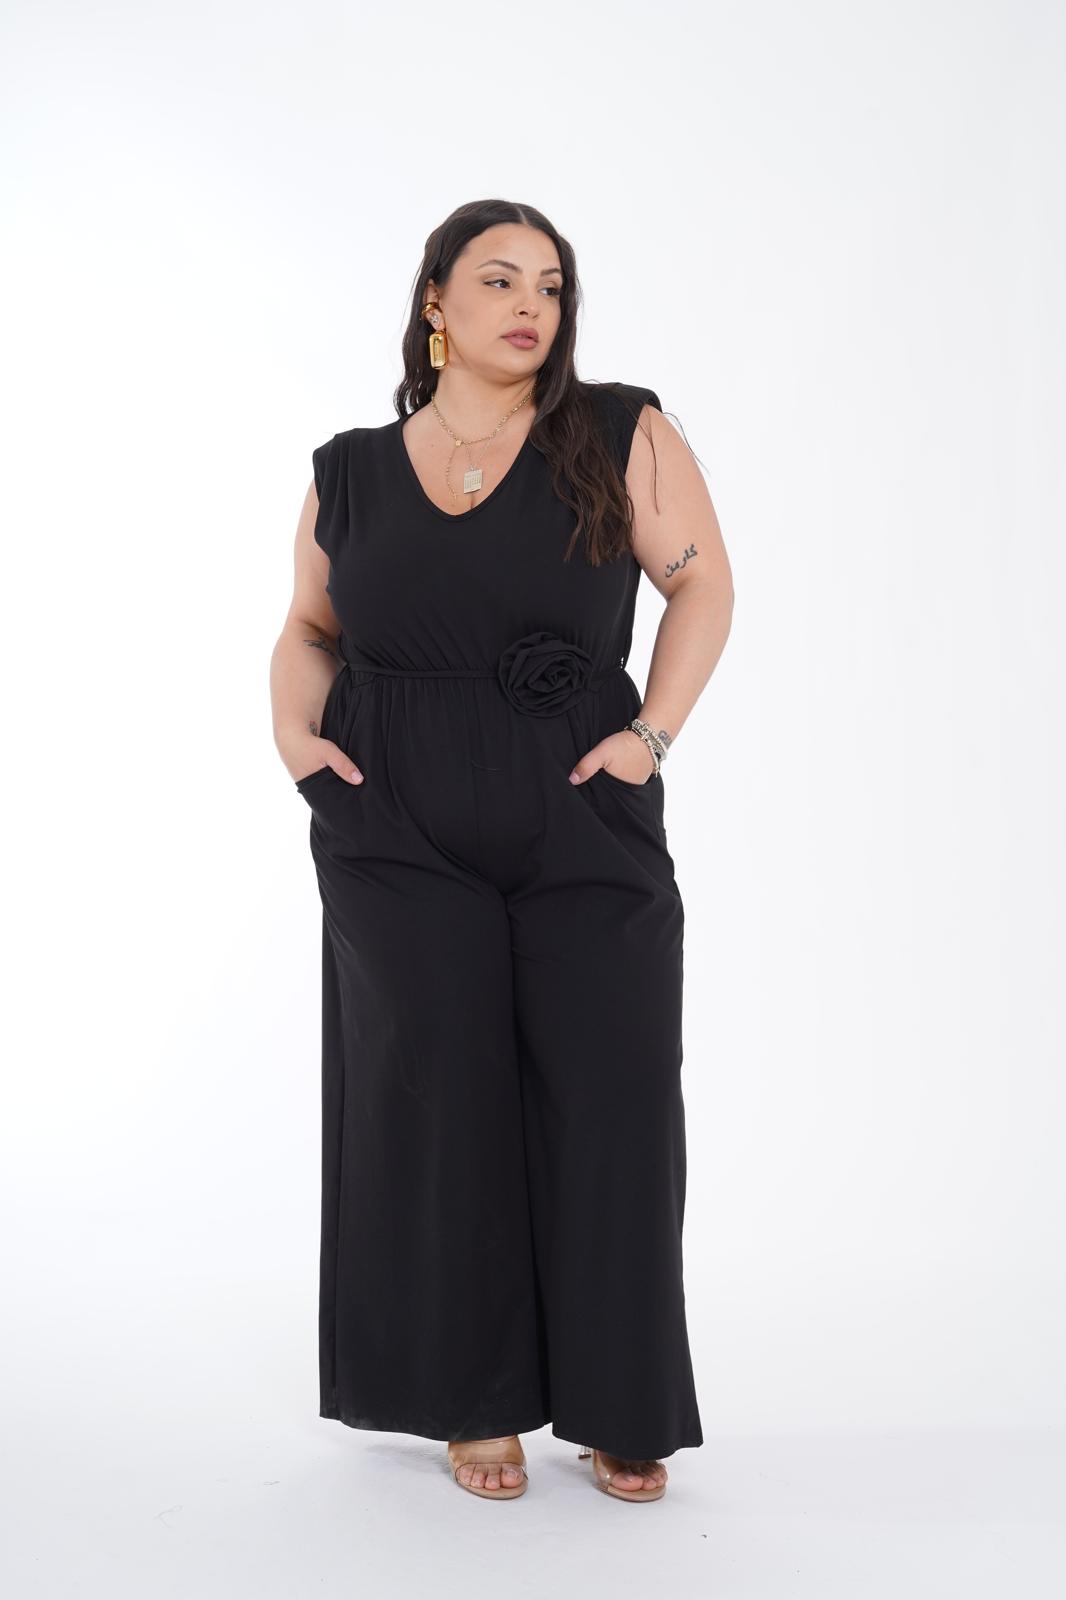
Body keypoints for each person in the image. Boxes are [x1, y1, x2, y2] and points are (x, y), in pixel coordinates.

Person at [269, 198, 734, 1504]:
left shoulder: (618, 431)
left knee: (614, 1088)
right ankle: (473, 1398)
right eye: (498, 278)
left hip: (578, 802)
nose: (532, 304)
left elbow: (701, 581)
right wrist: (294, 738)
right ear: (435, 300)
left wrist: (649, 734)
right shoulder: (349, 470)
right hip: (393, 821)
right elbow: (307, 627)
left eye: (551, 284)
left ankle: (619, 1397)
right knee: (438, 1098)